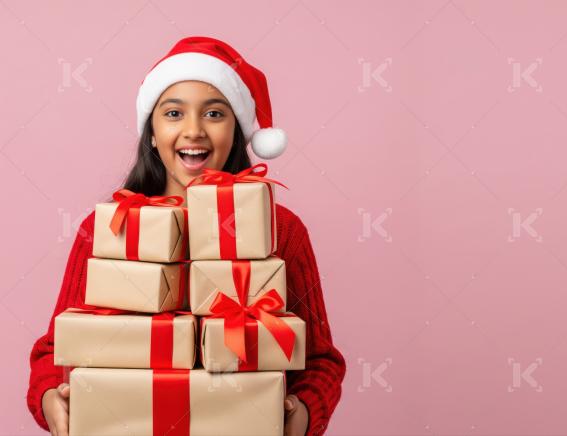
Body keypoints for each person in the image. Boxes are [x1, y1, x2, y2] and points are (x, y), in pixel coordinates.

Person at [26, 36, 346, 436]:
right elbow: (55, 351)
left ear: (238, 130)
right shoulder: (108, 229)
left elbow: (320, 360)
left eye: (214, 113)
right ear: (153, 132)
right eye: (174, 113)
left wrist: (301, 414)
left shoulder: (282, 231)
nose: (193, 130)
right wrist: (49, 399)